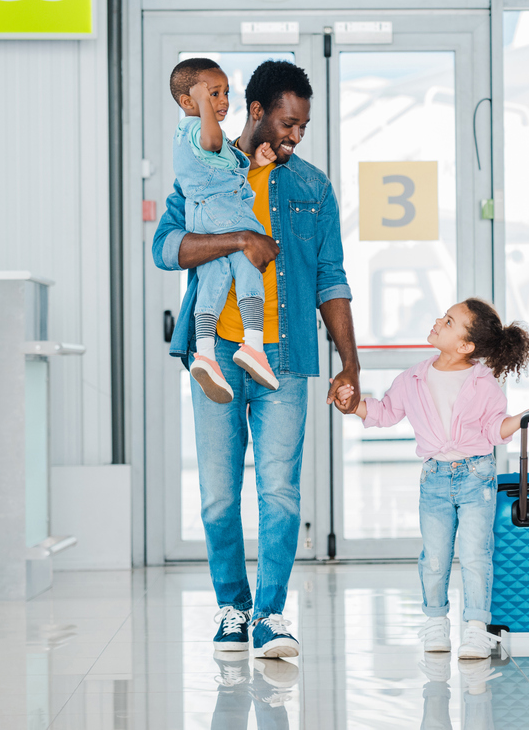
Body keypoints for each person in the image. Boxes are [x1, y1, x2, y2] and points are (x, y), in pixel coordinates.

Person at [153, 59, 361, 660]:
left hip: (284, 357)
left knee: (281, 493)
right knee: (219, 496)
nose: (295, 136)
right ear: (255, 112)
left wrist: (349, 362)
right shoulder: (203, 170)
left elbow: (331, 277)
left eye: (303, 127)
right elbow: (167, 247)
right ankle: (232, 606)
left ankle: (269, 614)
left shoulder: (312, 188)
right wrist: (239, 240)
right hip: (214, 354)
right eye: (288, 123)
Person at [333, 298, 529, 658]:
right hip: (434, 479)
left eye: (449, 321)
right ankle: (436, 622)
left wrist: (524, 417)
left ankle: (476, 628)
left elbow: (495, 428)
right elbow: (386, 413)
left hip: (477, 477)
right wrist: (353, 404)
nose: (439, 320)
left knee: (475, 554)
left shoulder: (484, 383)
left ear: (465, 346)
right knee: (434, 557)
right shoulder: (413, 377)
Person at [168, 57, 279, 403]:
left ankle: (205, 353)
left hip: (205, 218)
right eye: (213, 93)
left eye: (225, 92)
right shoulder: (194, 128)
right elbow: (214, 144)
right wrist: (204, 107)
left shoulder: (197, 136)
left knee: (214, 279)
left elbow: (222, 167)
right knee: (249, 263)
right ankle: (254, 345)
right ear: (188, 101)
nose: (223, 101)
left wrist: (254, 163)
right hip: (223, 215)